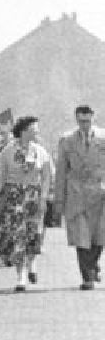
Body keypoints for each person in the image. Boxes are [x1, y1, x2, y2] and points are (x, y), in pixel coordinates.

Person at [0, 115, 53, 291]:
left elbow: (47, 176)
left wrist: (44, 198)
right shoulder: (8, 151)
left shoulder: (41, 151)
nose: (37, 132)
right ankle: (21, 275)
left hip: (34, 195)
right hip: (14, 197)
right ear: (24, 131)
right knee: (17, 235)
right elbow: (0, 176)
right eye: (34, 129)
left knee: (34, 233)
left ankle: (32, 264)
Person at [54, 105, 105, 289]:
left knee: (100, 237)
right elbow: (60, 172)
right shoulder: (67, 141)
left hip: (99, 192)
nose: (84, 124)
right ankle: (87, 277)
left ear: (93, 118)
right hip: (77, 194)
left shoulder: (103, 137)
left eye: (88, 121)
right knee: (81, 237)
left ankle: (92, 265)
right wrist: (58, 199)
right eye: (81, 121)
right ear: (76, 119)